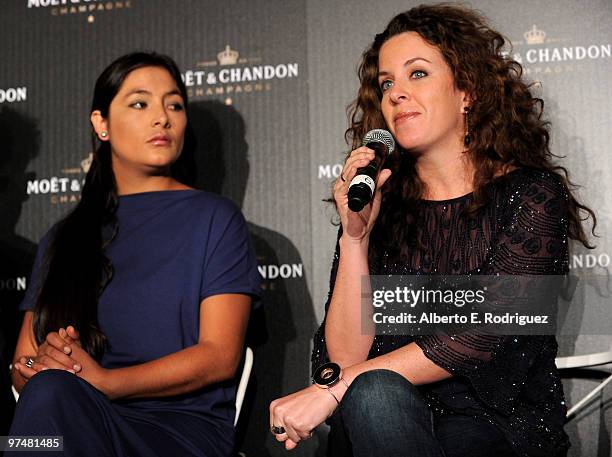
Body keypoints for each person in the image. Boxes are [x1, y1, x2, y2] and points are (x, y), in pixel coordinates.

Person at [269, 5, 596, 457]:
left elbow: (482, 333)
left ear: (467, 90)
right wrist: (355, 239)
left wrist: (332, 390)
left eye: (417, 74)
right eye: (387, 84)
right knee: (376, 397)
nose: (396, 94)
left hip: (493, 427)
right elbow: (340, 361)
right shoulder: (384, 208)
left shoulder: (532, 194)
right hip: (379, 420)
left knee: (374, 396)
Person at [9, 52, 260, 457]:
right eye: (140, 103)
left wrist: (106, 381)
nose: (162, 117)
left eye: (174, 105)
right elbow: (23, 360)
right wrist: (40, 367)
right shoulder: (63, 238)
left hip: (179, 432)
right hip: (76, 415)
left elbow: (220, 356)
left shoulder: (214, 218)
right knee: (32, 431)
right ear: (101, 124)